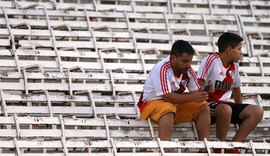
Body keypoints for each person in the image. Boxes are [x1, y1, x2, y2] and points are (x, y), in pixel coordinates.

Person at [137, 40, 210, 152]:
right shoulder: (162, 68)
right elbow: (167, 97)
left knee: (203, 106)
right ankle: (164, 150)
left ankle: (205, 149)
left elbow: (195, 93)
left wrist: (205, 91)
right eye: (185, 61)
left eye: (190, 61)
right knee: (168, 108)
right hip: (150, 104)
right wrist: (192, 97)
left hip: (172, 105)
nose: (189, 65)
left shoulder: (188, 70)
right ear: (174, 58)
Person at [197, 32, 264, 153]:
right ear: (229, 49)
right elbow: (198, 82)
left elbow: (236, 88)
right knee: (225, 109)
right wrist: (206, 87)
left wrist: (241, 109)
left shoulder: (234, 66)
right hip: (207, 104)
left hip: (225, 105)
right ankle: (220, 147)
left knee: (257, 111)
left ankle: (234, 146)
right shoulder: (211, 59)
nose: (241, 52)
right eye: (239, 49)